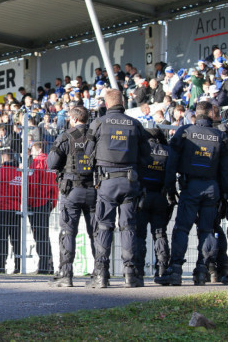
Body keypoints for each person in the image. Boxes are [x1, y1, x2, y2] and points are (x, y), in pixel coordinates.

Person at [156, 101, 228, 286]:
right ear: (211, 114)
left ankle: (176, 270)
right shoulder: (220, 136)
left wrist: (169, 187)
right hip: (212, 189)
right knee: (207, 230)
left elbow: (172, 162)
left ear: (196, 114)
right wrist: (224, 195)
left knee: (182, 229)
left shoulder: (185, 132)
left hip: (191, 187)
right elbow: (224, 170)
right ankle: (203, 270)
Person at [85, 89, 150, 288]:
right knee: (128, 227)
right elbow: (147, 154)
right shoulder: (135, 124)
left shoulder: (98, 123)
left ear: (106, 103)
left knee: (104, 226)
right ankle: (130, 274)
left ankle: (101, 275)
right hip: (130, 181)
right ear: (122, 102)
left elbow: (88, 153)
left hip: (107, 182)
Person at [47, 106, 96, 287]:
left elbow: (51, 163)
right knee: (96, 233)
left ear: (74, 119)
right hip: (93, 190)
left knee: (68, 232)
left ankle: (66, 275)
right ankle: (100, 274)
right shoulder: (95, 136)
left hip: (71, 191)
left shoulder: (66, 136)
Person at [135, 128, 171, 282]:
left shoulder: (140, 149)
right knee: (160, 234)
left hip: (142, 197)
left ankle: (138, 272)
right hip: (161, 197)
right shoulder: (168, 151)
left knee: (139, 235)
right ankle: (162, 270)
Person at [28, 141, 58, 275]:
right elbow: (55, 185)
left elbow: (32, 185)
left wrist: (28, 203)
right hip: (47, 202)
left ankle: (45, 266)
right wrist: (52, 202)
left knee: (39, 235)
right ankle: (48, 265)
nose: (31, 152)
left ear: (37, 148)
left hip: (37, 203)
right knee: (44, 235)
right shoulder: (51, 162)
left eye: (32, 149)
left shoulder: (37, 163)